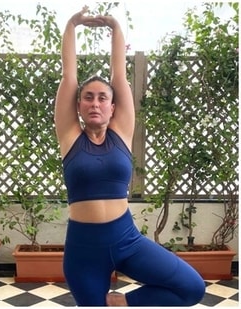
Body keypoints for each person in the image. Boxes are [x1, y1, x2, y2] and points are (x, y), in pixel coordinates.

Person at [54, 6, 205, 306]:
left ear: (112, 107)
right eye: (88, 97)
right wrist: (72, 24)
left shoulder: (121, 133)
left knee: (192, 288)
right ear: (79, 106)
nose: (95, 103)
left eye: (102, 98)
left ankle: (124, 304)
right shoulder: (70, 137)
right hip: (83, 250)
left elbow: (119, 74)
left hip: (126, 239)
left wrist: (115, 26)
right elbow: (68, 74)